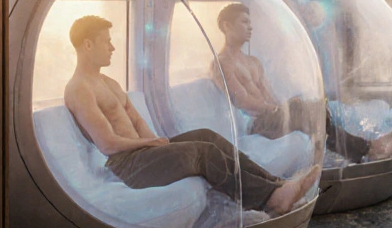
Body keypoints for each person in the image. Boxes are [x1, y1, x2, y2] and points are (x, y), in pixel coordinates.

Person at [63, 15, 320, 217]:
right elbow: (107, 143)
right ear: (87, 45)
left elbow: (138, 121)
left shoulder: (108, 82)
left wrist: (157, 144)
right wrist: (150, 145)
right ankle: (271, 200)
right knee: (201, 151)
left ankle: (276, 185)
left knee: (207, 136)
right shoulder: (79, 89)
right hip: (126, 166)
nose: (112, 46)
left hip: (143, 155)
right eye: (106, 41)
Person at [214, 3, 392, 162]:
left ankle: (361, 149)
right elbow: (242, 100)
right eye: (244, 22)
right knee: (303, 108)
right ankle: (370, 148)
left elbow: (269, 94)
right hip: (256, 123)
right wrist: (278, 109)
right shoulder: (223, 62)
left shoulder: (253, 61)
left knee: (315, 106)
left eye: (250, 22)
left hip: (271, 116)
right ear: (226, 26)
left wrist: (283, 106)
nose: (250, 27)